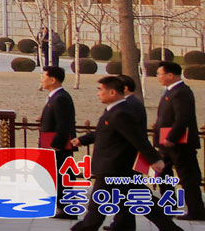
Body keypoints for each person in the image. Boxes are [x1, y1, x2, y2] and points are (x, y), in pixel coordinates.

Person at [69, 76, 178, 231]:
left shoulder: (121, 113)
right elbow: (102, 133)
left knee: (96, 208)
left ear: (112, 92)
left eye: (100, 90)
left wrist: (155, 160)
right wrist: (83, 140)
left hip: (114, 167)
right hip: (118, 168)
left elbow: (138, 139)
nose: (98, 93)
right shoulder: (113, 111)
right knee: (145, 203)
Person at [154, 61, 205, 219]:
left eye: (160, 74)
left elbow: (183, 118)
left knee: (188, 177)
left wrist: (171, 138)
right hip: (167, 144)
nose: (158, 77)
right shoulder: (170, 92)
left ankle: (196, 211)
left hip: (179, 144)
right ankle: (168, 206)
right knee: (164, 174)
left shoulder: (181, 92)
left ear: (170, 75)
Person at [38, 66, 76, 220]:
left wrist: (56, 145)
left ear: (52, 80)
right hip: (51, 142)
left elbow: (64, 125)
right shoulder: (54, 97)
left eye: (44, 77)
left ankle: (67, 207)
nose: (42, 80)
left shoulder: (60, 98)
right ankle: (62, 205)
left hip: (58, 146)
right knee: (56, 175)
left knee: (62, 175)